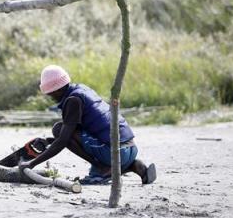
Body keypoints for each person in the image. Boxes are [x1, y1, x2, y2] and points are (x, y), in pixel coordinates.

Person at [19, 65, 156, 185]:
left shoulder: (73, 101)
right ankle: (134, 166)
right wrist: (49, 141)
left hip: (114, 152)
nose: (51, 97)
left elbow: (63, 140)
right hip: (130, 148)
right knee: (61, 131)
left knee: (59, 129)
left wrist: (32, 164)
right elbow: (82, 130)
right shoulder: (81, 90)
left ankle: (103, 168)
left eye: (50, 94)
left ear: (57, 90)